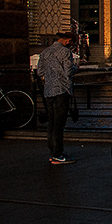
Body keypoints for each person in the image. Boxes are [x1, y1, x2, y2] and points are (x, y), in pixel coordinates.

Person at [37, 31, 78, 165]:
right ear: (67, 40)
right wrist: (75, 67)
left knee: (52, 122)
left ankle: (53, 151)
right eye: (72, 42)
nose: (71, 45)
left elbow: (40, 72)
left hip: (48, 91)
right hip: (62, 90)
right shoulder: (65, 53)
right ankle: (57, 155)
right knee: (60, 124)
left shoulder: (45, 52)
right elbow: (69, 71)